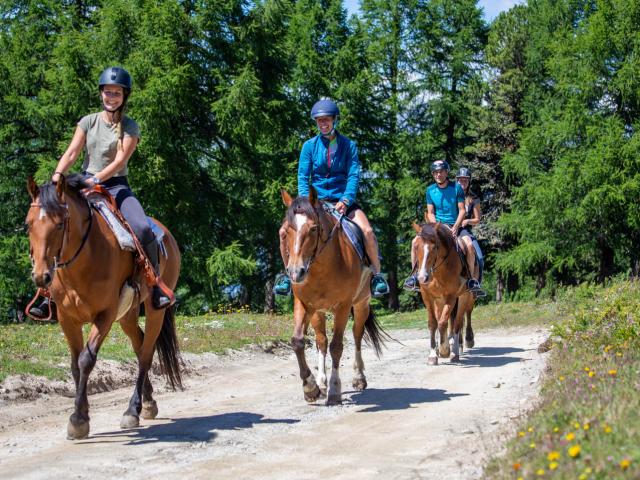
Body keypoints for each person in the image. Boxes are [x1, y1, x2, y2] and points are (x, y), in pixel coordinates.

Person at [30, 66, 171, 313]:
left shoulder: (130, 127)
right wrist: (56, 179)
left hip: (116, 186)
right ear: (101, 94)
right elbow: (72, 152)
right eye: (107, 92)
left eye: (116, 93)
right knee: (51, 225)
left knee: (142, 229)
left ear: (124, 96)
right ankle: (46, 293)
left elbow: (119, 161)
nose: (111, 97)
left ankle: (155, 283)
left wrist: (95, 180)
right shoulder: (88, 121)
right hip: (82, 183)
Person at [274, 99, 389, 297]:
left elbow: (353, 175)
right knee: (284, 231)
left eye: (326, 120)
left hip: (343, 201)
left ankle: (377, 276)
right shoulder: (309, 146)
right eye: (319, 121)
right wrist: (304, 203)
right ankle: (287, 276)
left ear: (334, 120)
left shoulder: (348, 146)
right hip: (314, 204)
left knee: (368, 231)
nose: (323, 124)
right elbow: (303, 176)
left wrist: (345, 200)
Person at [403, 160, 484, 296]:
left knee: (469, 245)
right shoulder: (430, 190)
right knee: (414, 242)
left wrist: (456, 226)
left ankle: (471, 280)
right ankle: (415, 277)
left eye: (441, 172)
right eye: (435, 172)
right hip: (437, 226)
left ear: (447, 173)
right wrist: (435, 227)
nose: (438, 174)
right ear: (433, 174)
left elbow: (462, 211)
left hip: (455, 225)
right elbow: (430, 212)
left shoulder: (456, 188)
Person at [455, 167, 485, 290]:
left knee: (480, 257)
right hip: (449, 227)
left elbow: (477, 219)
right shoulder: (451, 195)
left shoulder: (474, 198)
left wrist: (467, 220)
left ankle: (475, 283)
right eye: (460, 180)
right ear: (456, 181)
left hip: (464, 230)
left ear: (469, 182)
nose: (463, 183)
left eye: (465, 180)